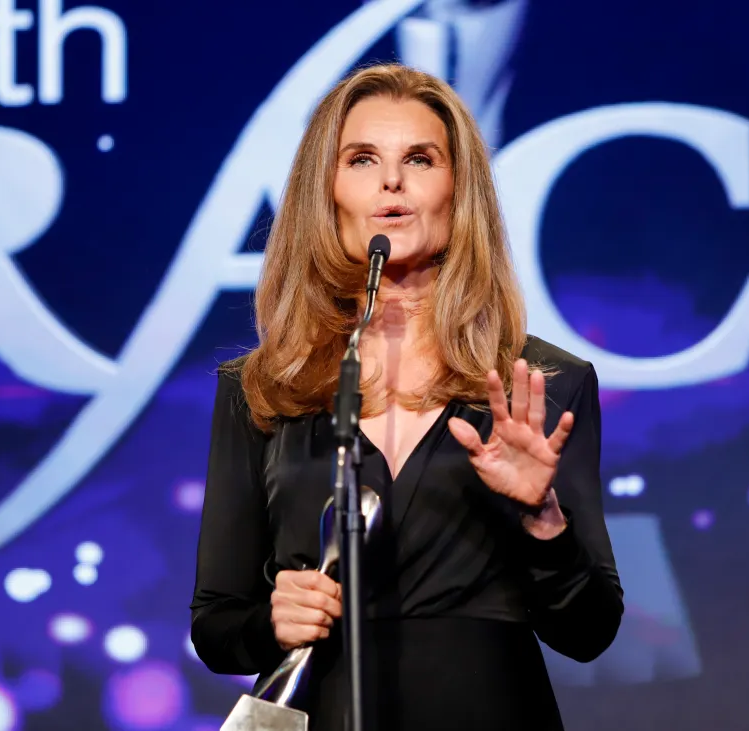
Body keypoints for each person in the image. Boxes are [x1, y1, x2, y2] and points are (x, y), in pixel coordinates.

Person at [189, 63, 624, 731]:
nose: (391, 181)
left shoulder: (539, 384)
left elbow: (590, 630)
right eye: (362, 159)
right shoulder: (264, 389)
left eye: (420, 159)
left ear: (458, 190)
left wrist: (541, 518)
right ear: (326, 191)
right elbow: (216, 622)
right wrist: (274, 620)